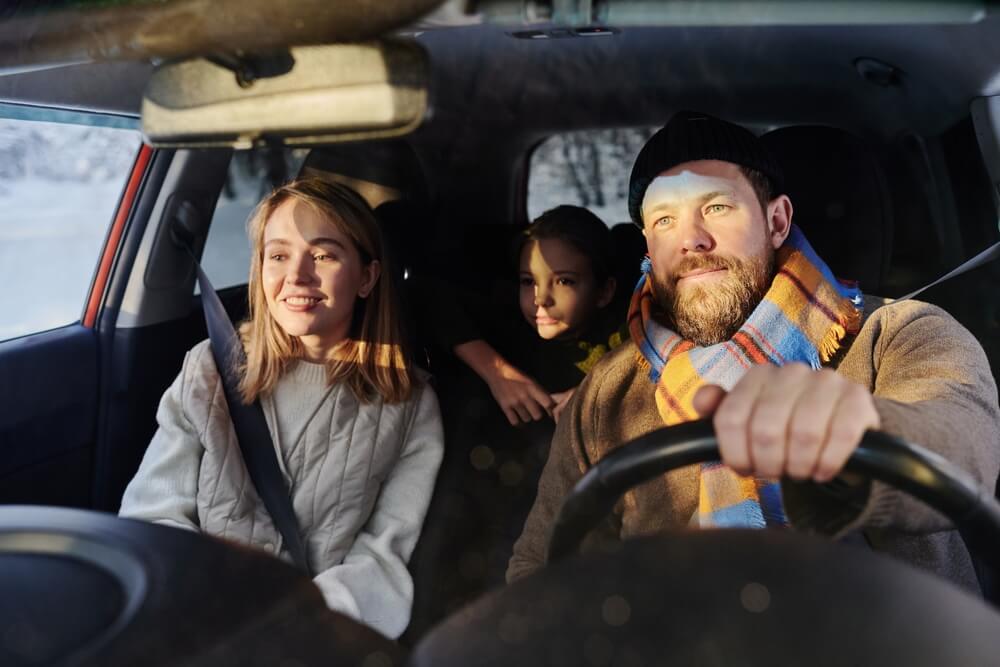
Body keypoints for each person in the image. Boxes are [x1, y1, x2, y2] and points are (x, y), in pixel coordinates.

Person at [506, 111, 1000, 592]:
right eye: (664, 220)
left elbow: (963, 447)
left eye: (717, 207)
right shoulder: (607, 393)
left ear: (778, 220)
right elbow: (540, 564)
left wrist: (858, 441)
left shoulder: (898, 334)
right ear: (647, 246)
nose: (691, 240)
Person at [119, 179, 445, 639]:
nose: (297, 276)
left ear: (368, 277)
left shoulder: (408, 404)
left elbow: (383, 555)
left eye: (324, 255)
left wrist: (294, 618)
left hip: (314, 633)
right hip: (195, 621)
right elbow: (153, 514)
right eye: (278, 255)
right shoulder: (209, 370)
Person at [434, 205, 626, 426]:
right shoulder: (510, 326)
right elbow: (432, 299)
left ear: (604, 292)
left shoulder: (627, 331)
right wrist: (498, 373)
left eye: (564, 281)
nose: (540, 298)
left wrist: (598, 390)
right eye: (528, 281)